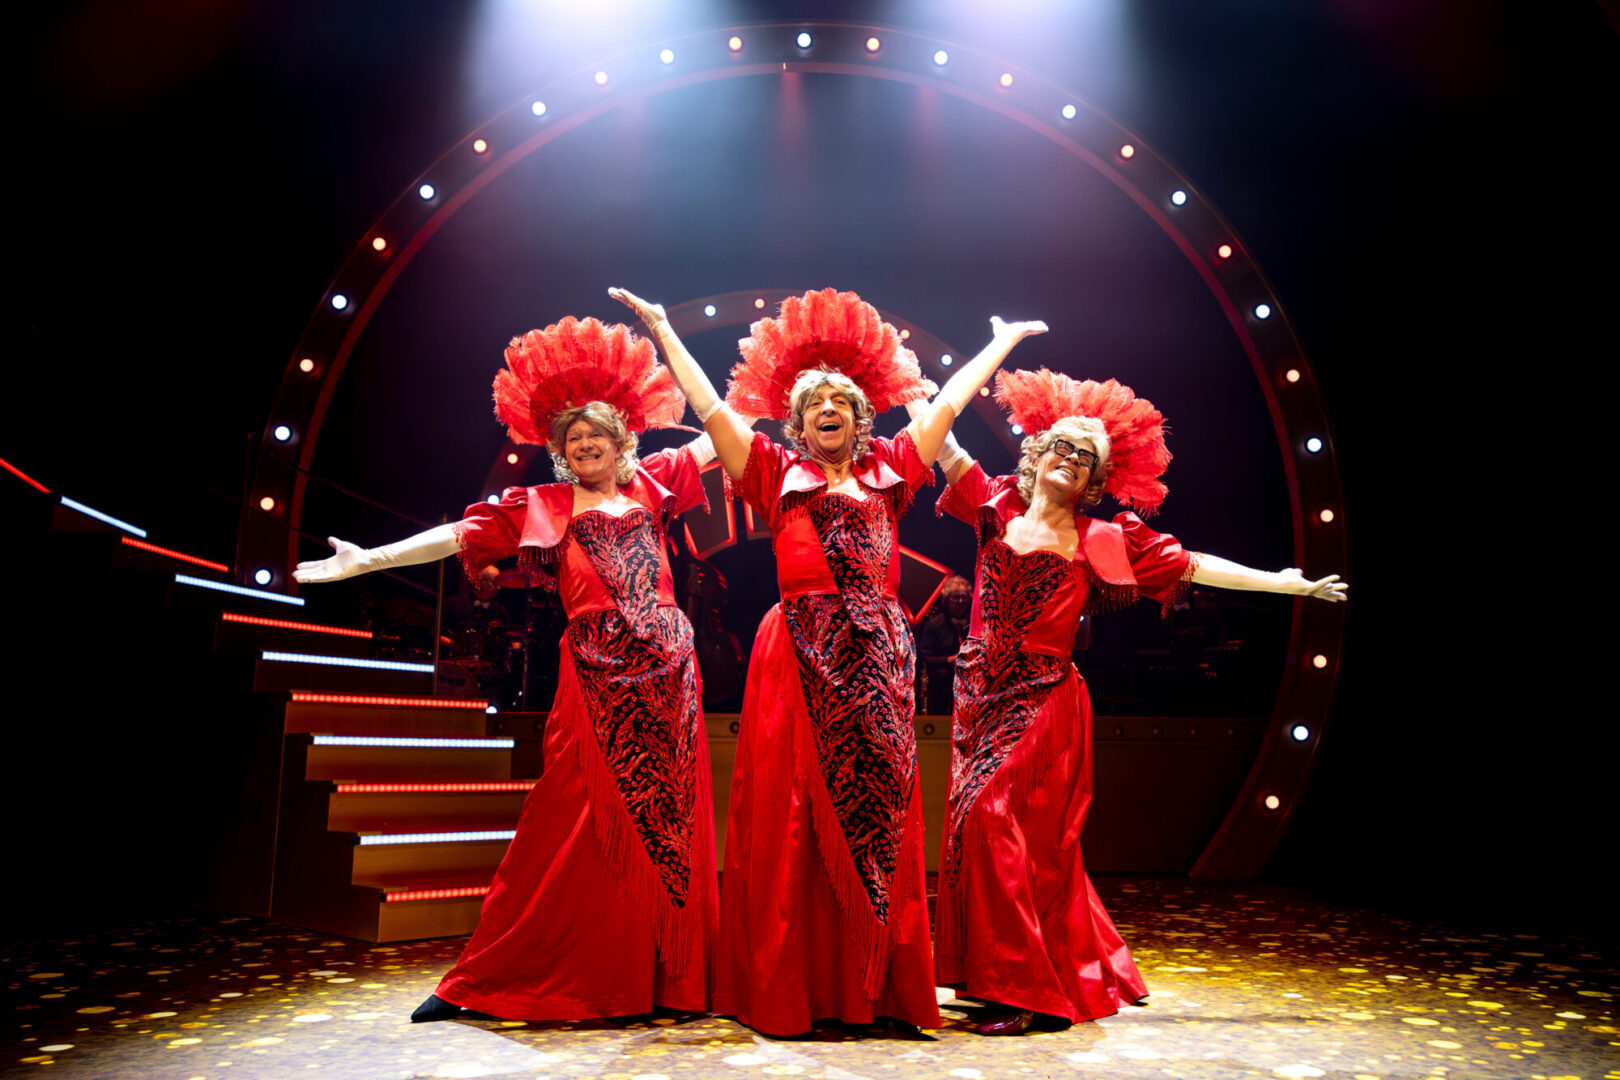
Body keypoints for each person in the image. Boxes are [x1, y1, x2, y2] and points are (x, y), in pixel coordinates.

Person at [610, 285, 1046, 1037]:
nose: (828, 408)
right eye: (814, 402)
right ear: (797, 420)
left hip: (876, 656)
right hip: (794, 654)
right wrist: (661, 328)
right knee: (791, 817)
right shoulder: (772, 471)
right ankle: (797, 989)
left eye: (841, 400)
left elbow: (945, 405)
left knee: (877, 814)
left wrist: (1000, 344)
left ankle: (875, 988)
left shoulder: (894, 468)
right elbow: (710, 408)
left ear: (861, 415)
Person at [293, 317, 720, 1023]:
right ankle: (495, 971)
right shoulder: (541, 505)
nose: (585, 446)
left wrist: (668, 334)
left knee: (667, 822)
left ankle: (663, 976)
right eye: (572, 441)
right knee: (565, 816)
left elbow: (719, 427)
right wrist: (367, 560)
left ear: (622, 442)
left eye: (596, 436)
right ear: (561, 453)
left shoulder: (654, 482)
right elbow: (455, 536)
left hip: (669, 670)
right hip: (595, 670)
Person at [929, 369, 1347, 1035]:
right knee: (995, 836)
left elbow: (1195, 564)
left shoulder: (1105, 537)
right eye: (1062, 447)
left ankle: (1028, 992)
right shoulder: (994, 505)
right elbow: (938, 432)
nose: (1071, 459)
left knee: (990, 817)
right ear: (1036, 456)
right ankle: (1012, 971)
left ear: (1094, 479)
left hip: (1043, 699)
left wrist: (1284, 584)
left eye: (1085, 457)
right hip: (979, 697)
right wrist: (979, 355)